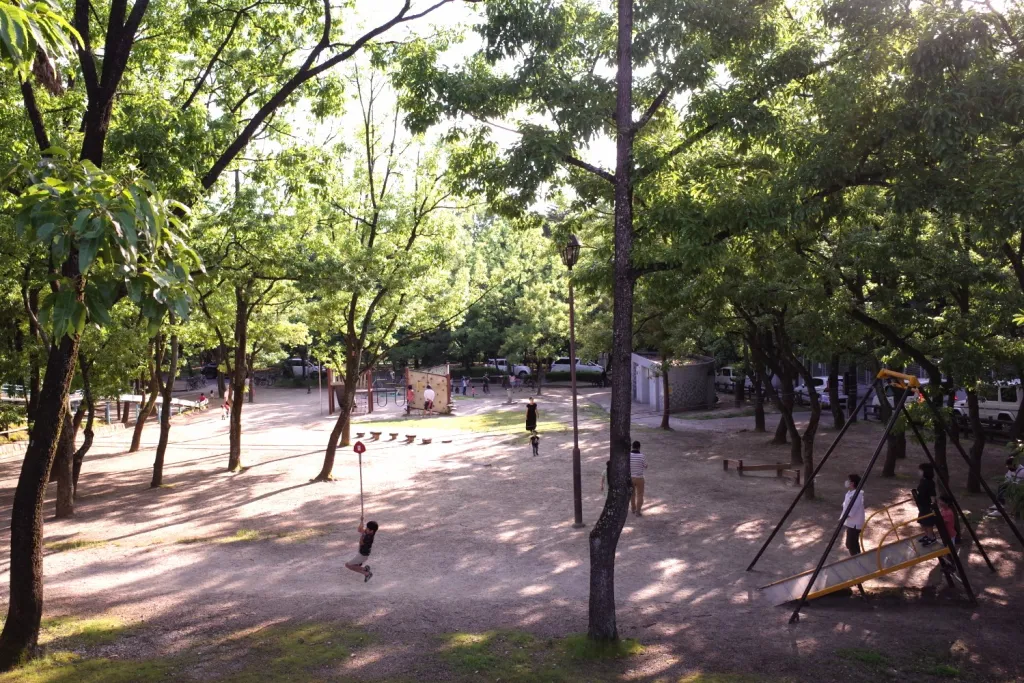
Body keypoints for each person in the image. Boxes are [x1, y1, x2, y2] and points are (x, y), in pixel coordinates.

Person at [913, 462, 938, 546]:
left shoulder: (930, 482)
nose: (918, 471)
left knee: (928, 523)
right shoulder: (922, 480)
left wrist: (933, 505)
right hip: (922, 505)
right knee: (922, 521)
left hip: (928, 506)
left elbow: (932, 495)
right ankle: (927, 535)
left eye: (920, 470)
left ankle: (932, 538)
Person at [841, 474, 865, 556]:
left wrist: (844, 518)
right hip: (851, 523)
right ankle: (858, 558)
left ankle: (857, 559)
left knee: (851, 544)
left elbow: (852, 510)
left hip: (855, 523)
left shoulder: (857, 495)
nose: (846, 482)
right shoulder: (850, 493)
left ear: (852, 483)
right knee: (852, 543)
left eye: (848, 480)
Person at [629, 441, 648, 516]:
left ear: (632, 446)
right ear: (639, 447)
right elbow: (645, 466)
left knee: (632, 494)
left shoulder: (628, 456)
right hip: (640, 478)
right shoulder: (642, 456)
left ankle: (633, 508)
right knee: (640, 494)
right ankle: (638, 511)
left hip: (631, 478)